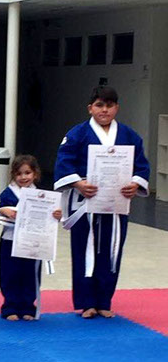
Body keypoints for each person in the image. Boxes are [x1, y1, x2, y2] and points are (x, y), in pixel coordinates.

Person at [54, 86, 150, 319]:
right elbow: (64, 162)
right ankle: (87, 303)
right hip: (84, 204)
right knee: (83, 250)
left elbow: (141, 165)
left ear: (117, 108)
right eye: (99, 105)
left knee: (111, 251)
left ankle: (104, 301)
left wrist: (135, 184)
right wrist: (78, 183)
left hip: (115, 204)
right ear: (90, 108)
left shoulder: (129, 135)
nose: (104, 110)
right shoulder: (77, 134)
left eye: (109, 105)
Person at [0, 155, 61, 321]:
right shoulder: (8, 193)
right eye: (19, 174)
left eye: (27, 173)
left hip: (33, 241)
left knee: (30, 274)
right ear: (13, 175)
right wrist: (4, 210)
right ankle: (10, 307)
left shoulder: (41, 195)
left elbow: (51, 215)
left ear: (35, 173)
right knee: (9, 274)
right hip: (10, 241)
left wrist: (57, 215)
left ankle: (28, 306)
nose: (23, 177)